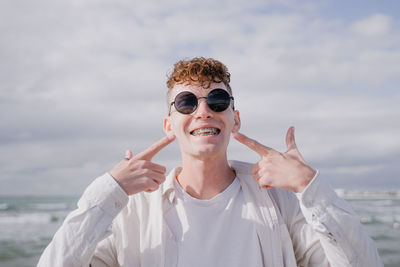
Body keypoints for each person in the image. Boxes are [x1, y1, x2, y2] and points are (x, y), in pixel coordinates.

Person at [38, 57, 383, 267]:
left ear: (235, 118)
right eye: (187, 102)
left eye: (217, 99)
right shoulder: (132, 210)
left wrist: (310, 188)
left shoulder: (280, 202)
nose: (204, 110)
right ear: (168, 124)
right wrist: (108, 192)